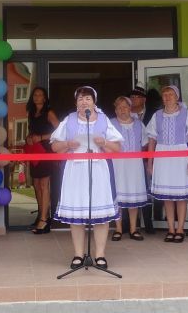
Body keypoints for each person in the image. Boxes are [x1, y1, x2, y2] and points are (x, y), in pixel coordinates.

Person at [51, 86, 122, 270]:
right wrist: (68, 144)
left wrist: (104, 142)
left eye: (88, 99)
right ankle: (78, 254)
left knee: (101, 215)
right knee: (77, 214)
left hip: (98, 169)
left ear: (94, 102)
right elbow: (55, 147)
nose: (84, 102)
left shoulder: (104, 119)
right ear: (76, 103)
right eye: (80, 99)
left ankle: (100, 255)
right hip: (75, 170)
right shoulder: (69, 120)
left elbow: (117, 148)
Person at [146, 85, 188, 244]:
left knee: (181, 196)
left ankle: (180, 229)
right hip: (162, 156)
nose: (167, 97)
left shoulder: (186, 114)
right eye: (165, 94)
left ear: (177, 97)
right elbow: (152, 140)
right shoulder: (157, 115)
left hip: (181, 155)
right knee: (168, 196)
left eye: (171, 94)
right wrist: (150, 162)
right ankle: (170, 228)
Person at [110, 96, 149, 241]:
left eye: (125, 107)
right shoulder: (111, 124)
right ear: (115, 110)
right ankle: (118, 228)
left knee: (133, 195)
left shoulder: (139, 124)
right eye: (119, 107)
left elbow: (144, 143)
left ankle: (133, 229)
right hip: (117, 164)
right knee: (118, 195)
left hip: (135, 165)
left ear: (130, 109)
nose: (122, 110)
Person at [25, 86, 59, 234]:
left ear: (44, 98)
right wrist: (29, 137)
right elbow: (32, 131)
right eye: (35, 95)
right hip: (35, 151)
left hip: (46, 151)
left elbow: (59, 130)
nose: (37, 97)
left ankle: (44, 221)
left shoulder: (49, 113)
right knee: (36, 184)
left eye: (40, 95)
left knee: (44, 185)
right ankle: (41, 215)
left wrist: (41, 137)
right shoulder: (31, 114)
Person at [129, 83, 155, 234]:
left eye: (137, 97)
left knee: (147, 188)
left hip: (147, 157)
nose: (133, 99)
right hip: (130, 160)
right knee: (129, 188)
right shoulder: (125, 114)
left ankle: (148, 223)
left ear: (144, 99)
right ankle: (128, 224)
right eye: (132, 97)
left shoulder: (153, 113)